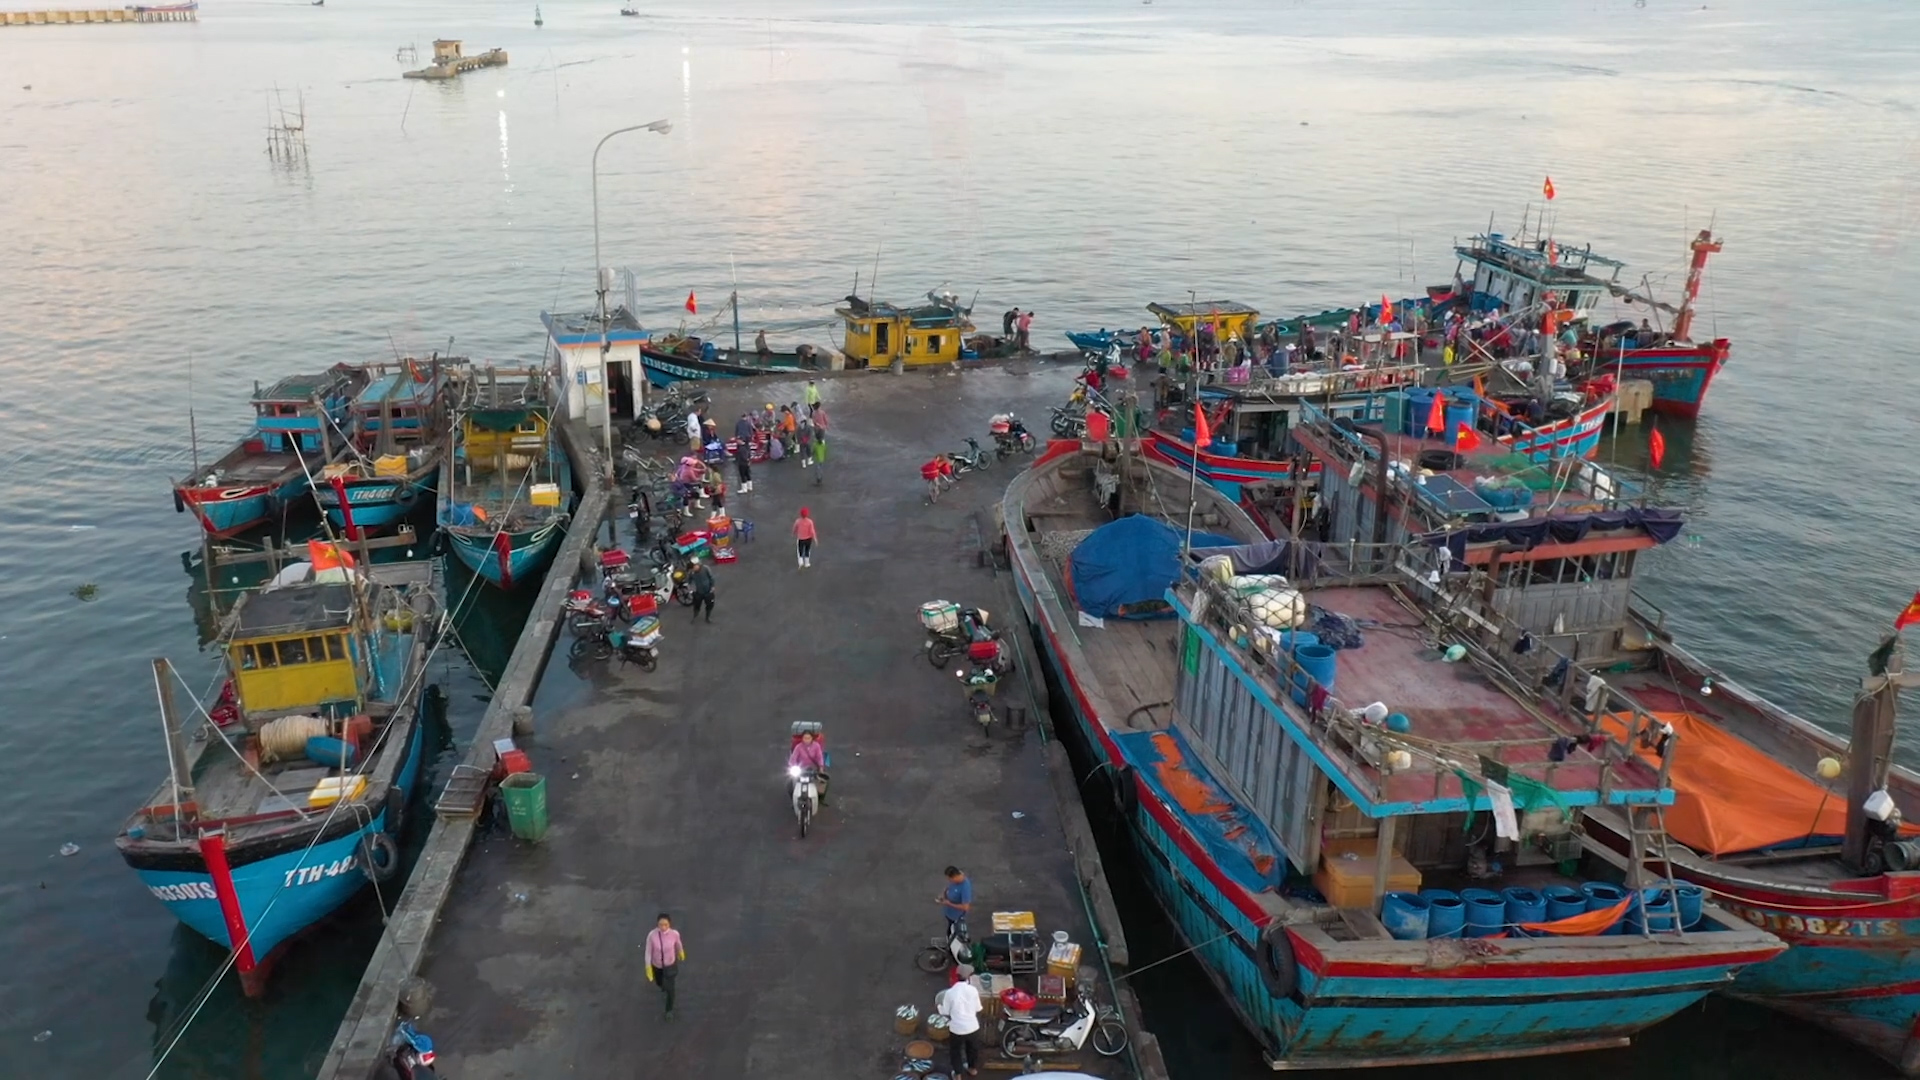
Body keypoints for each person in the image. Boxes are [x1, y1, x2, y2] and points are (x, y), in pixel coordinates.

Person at [940, 975, 983, 1077]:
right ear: (967, 978)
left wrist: (939, 1007)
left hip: (957, 1029)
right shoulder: (973, 990)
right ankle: (972, 1069)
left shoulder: (950, 993)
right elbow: (978, 1008)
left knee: (955, 1051)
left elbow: (945, 1011)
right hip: (972, 1027)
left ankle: (958, 1074)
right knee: (972, 1049)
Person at [645, 913, 685, 1017]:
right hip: (657, 966)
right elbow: (648, 952)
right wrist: (648, 967)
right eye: (660, 924)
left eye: (665, 924)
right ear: (657, 924)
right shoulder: (652, 935)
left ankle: (669, 1010)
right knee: (660, 983)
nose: (663, 927)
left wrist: (681, 952)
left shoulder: (674, 934)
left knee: (671, 990)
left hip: (670, 966)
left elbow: (678, 944)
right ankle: (663, 987)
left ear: (669, 924)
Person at [788, 730, 828, 804]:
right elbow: (793, 758)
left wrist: (821, 767)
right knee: (789, 785)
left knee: (824, 782)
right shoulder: (798, 747)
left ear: (812, 738)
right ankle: (793, 802)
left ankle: (821, 800)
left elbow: (819, 757)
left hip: (813, 768)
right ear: (802, 738)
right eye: (805, 738)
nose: (806, 740)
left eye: (808, 738)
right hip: (801, 768)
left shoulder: (816, 746)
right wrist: (792, 766)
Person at [937, 865, 973, 937]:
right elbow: (950, 887)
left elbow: (965, 907)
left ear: (955, 877)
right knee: (949, 928)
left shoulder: (965, 887)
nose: (949, 881)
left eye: (950, 879)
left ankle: (951, 945)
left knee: (952, 933)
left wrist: (949, 904)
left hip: (956, 917)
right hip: (949, 913)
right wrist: (944, 893)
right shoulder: (956, 879)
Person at [687, 557, 714, 622]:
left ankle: (708, 617)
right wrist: (691, 589)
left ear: (698, 565)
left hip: (708, 591)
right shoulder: (691, 572)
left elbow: (711, 578)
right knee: (696, 605)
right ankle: (695, 616)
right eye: (692, 568)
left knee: (709, 605)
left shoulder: (706, 568)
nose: (693, 569)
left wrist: (712, 587)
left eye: (694, 567)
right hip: (698, 593)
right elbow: (689, 581)